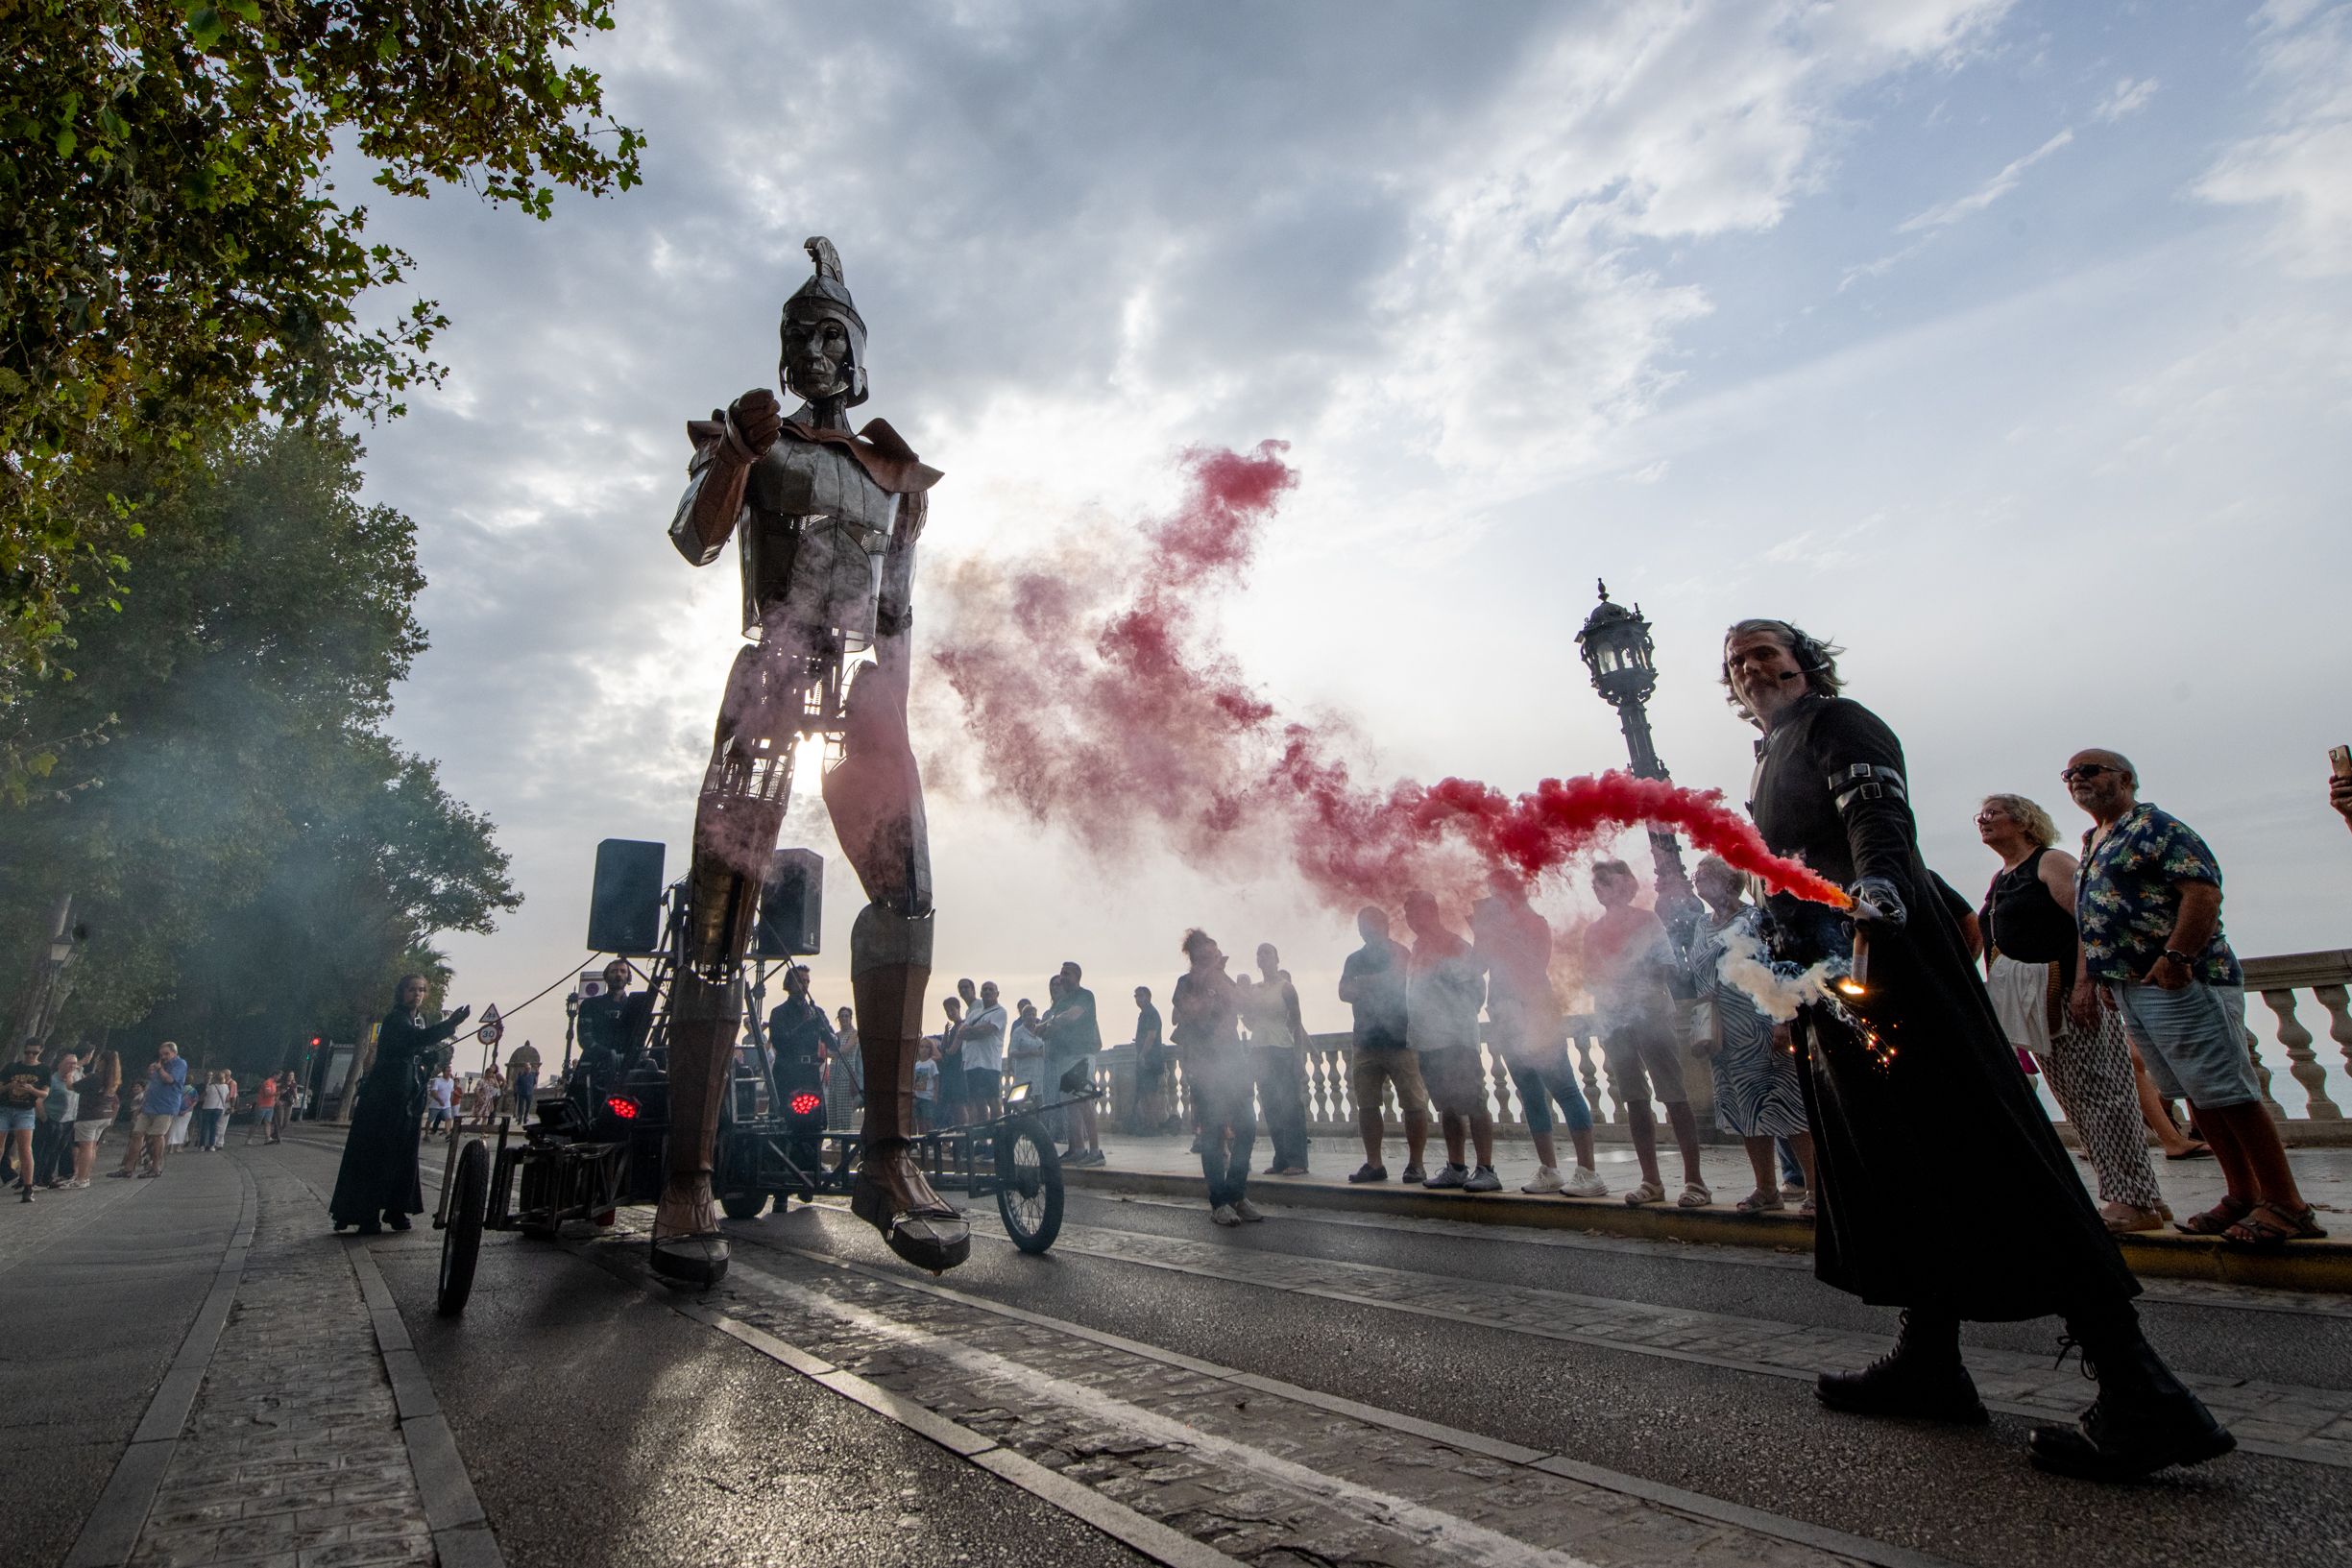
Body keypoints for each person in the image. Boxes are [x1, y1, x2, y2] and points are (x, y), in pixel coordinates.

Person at [1725, 618, 2226, 1481]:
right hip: (1831, 980)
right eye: (1736, 661)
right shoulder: (1770, 755)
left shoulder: (1839, 722)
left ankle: (2143, 1391)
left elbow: (1876, 815)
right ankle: (1929, 1361)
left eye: (1765, 649)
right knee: (1898, 1164)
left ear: (1803, 660)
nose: (1751, 666)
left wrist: (1879, 888)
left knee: (1980, 1148)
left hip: (1887, 960)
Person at [2066, 749, 2318, 1248]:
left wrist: (2178, 956)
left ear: (2126, 778)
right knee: (2197, 1096)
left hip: (2182, 980)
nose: (2077, 779)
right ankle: (2242, 1194)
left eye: (2089, 770)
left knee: (2229, 1093)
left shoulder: (2157, 827)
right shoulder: (2095, 840)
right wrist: (2105, 977)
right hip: (2135, 986)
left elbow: (2202, 893)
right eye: (2069, 774)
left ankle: (2287, 1204)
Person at [1975, 793, 2169, 1232]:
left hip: (2068, 995)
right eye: (1980, 816)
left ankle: (2133, 1202)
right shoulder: (2003, 876)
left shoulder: (2050, 862)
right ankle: (2143, 1195)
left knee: (2103, 1096)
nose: (1983, 821)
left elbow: (2089, 922)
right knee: (2078, 1100)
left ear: (2024, 821)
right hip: (2035, 1003)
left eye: (1992, 813)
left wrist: (2085, 983)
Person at [1686, 856, 1813, 1214]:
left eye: (1705, 874)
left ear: (1729, 883)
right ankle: (1766, 1189)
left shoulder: (1756, 919)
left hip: (1761, 1027)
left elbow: (1780, 969)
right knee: (1747, 1112)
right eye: (1697, 874)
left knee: (1789, 1110)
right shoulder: (1701, 924)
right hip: (1725, 1034)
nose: (1697, 879)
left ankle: (1817, 1191)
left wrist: (1782, 1020)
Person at [1583, 860, 1709, 1207]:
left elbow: (1667, 966)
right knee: (1634, 1099)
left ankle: (1695, 1181)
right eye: (1595, 883)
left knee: (1673, 1095)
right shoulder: (1593, 932)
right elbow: (1588, 978)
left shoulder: (1647, 921)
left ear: (1624, 884)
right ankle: (1651, 1181)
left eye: (1604, 881)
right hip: (1614, 1019)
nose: (1598, 888)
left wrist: (1628, 974)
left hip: (1651, 1013)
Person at [1472, 877, 1606, 1197]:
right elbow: (1477, 965)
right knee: (1530, 1092)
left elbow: (1534, 965)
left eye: (1499, 892)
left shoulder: (1535, 922)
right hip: (1506, 1015)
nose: (1495, 898)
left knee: (1565, 1089)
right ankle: (1549, 1169)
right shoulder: (1492, 927)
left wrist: (1501, 932)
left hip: (1536, 1011)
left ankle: (1589, 1172)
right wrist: (1482, 932)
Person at [330, 975, 469, 1235]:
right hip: (384, 1099)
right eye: (411, 989)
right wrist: (449, 1025)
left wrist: (426, 1057)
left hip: (407, 1098)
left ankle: (396, 1209)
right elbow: (414, 1039)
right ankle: (367, 1214)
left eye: (421, 990)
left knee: (403, 1154)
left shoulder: (417, 1019)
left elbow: (416, 1045)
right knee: (378, 1155)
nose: (417, 994)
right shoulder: (395, 1019)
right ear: (401, 992)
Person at [1403, 891, 1499, 1193]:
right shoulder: (1417, 948)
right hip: (1428, 1041)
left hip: (1456, 1040)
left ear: (1432, 911)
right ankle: (1456, 1168)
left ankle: (1486, 1169)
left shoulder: (1454, 944)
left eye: (1415, 911)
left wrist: (1455, 1019)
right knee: (1446, 1107)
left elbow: (1476, 989)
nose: (1410, 919)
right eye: (1407, 913)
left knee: (1473, 1102)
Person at [1338, 906, 1429, 1184]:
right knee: (1367, 1105)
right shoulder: (1354, 959)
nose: (1366, 930)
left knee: (1413, 1103)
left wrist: (1365, 982)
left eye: (1370, 924)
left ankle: (1416, 1164)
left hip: (1401, 1040)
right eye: (1362, 926)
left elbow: (1401, 981)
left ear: (1385, 925)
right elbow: (1344, 992)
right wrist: (1379, 982)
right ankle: (1374, 1163)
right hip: (1365, 1042)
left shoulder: (1400, 953)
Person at [1174, 929, 1257, 1224]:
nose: (1213, 956)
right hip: (1206, 1066)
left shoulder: (1223, 979)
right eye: (1207, 953)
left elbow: (1246, 1006)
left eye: (1215, 951)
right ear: (1195, 956)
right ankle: (1219, 1202)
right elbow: (1193, 1013)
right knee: (1212, 1133)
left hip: (1233, 1062)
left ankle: (1236, 1193)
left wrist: (1227, 983)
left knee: (1247, 1126)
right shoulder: (1185, 984)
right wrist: (1209, 984)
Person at [1247, 945, 1310, 1176]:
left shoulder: (1286, 988)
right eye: (1259, 953)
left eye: (1267, 953)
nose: (1263, 957)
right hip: (1259, 1049)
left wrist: (1298, 1057)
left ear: (1277, 959)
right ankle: (1281, 1158)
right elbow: (1250, 1022)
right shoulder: (1254, 990)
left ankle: (1298, 1160)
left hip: (1282, 1047)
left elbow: (1296, 1024)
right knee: (1270, 1105)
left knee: (1290, 1105)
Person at [1041, 961, 1104, 1166]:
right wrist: (1041, 1029)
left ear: (1077, 976)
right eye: (1061, 973)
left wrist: (1047, 1024)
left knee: (1084, 1101)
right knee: (1071, 1106)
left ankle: (1096, 1151)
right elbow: (1050, 1030)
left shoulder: (1085, 996)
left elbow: (1071, 1016)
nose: (1062, 978)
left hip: (1080, 1057)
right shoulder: (1062, 1002)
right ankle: (1078, 1149)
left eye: (1066, 974)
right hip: (1065, 1058)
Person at [112, 1043, 186, 1180]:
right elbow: (152, 1084)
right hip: (149, 1106)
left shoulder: (180, 1064)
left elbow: (170, 1079)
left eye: (167, 1054)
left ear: (174, 1053)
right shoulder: (160, 1065)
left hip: (165, 1106)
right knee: (136, 1134)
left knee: (157, 1136)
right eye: (161, 1054)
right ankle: (128, 1168)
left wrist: (159, 1069)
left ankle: (155, 1167)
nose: (163, 1057)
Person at [4, 1044, 52, 1202]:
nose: (30, 1055)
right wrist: (10, 1086)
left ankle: (28, 1186)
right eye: (27, 1052)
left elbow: (44, 1094)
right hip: (5, 1109)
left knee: (25, 1149)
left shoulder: (43, 1070)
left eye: (34, 1053)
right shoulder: (12, 1067)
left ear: (40, 1052)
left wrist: (31, 1089)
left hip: (25, 1110)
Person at [70, 1049, 120, 1186]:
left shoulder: (95, 1077)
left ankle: (80, 1179)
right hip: (104, 1114)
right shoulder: (113, 1079)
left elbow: (72, 1087)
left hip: (90, 1115)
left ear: (102, 1061)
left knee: (85, 1148)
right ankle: (86, 1176)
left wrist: (69, 1075)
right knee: (92, 1147)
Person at [960, 980, 1006, 1122]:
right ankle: (982, 1135)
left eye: (991, 990)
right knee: (977, 1102)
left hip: (989, 1064)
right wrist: (977, 1030)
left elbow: (987, 1030)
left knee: (993, 1102)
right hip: (971, 1064)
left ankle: (999, 1132)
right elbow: (961, 1033)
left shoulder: (1000, 1012)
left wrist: (972, 1031)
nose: (987, 992)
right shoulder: (974, 1013)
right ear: (980, 993)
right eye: (985, 989)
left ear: (997, 993)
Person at [1128, 987, 1170, 1133]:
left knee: (1150, 1093)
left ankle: (1153, 1125)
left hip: (1151, 1059)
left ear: (1148, 997)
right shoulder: (1144, 1014)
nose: (1138, 999)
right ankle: (1149, 1124)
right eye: (1136, 996)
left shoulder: (1151, 1013)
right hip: (1147, 1058)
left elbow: (1151, 1036)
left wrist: (1142, 1055)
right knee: (1145, 1094)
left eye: (1141, 996)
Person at [826, 1006, 863, 1131]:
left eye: (847, 1016)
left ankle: (845, 1137)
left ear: (850, 1018)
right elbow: (826, 1051)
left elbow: (845, 1049)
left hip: (846, 1074)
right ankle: (834, 1137)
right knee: (832, 1108)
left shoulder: (854, 1034)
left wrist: (831, 1053)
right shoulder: (836, 1035)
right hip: (834, 1073)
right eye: (842, 1016)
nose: (844, 1018)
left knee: (844, 1109)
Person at [934, 994, 967, 1127]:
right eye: (947, 1011)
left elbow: (952, 1050)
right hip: (950, 1071)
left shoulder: (962, 1026)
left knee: (959, 1104)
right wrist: (946, 1034)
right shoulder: (953, 1028)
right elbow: (944, 1048)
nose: (950, 1013)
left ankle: (963, 1130)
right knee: (953, 1105)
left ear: (958, 1009)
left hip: (957, 1070)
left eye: (952, 1009)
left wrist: (941, 1054)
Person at [1006, 999, 1047, 1104]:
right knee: (1023, 1103)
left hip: (1040, 1073)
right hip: (1024, 1074)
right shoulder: (1018, 1032)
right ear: (1023, 1017)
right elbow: (1013, 1052)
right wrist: (1030, 1053)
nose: (1031, 1017)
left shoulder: (1040, 1030)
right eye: (1029, 1015)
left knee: (1041, 1102)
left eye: (1033, 1015)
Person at [506, 1038, 542, 1120]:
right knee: (520, 1105)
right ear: (524, 1068)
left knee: (527, 1106)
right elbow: (516, 1083)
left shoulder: (532, 1074)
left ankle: (525, 1117)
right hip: (521, 1093)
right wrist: (517, 1090)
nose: (527, 1069)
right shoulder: (521, 1076)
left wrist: (536, 1068)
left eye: (529, 1068)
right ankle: (519, 1117)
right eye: (526, 1068)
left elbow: (536, 1075)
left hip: (529, 1093)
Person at [199, 1070, 231, 1151]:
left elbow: (202, 1097)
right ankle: (212, 1145)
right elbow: (227, 1099)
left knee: (205, 1126)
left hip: (207, 1108)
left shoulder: (210, 1086)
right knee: (213, 1127)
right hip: (218, 1108)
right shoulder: (226, 1087)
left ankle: (202, 1145)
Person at [911, 1038, 938, 1134]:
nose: (924, 1049)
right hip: (917, 1097)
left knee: (928, 1120)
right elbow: (914, 1080)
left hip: (927, 1097)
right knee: (919, 1121)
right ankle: (921, 1140)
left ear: (930, 1050)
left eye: (927, 1047)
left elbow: (936, 1080)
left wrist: (935, 1095)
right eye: (922, 1047)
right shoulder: (916, 1064)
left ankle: (932, 1139)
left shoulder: (932, 1064)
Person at [246, 1070, 279, 1145]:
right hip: (262, 1105)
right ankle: (249, 1138)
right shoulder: (268, 1082)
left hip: (270, 1105)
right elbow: (267, 1093)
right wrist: (277, 1093)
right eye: (279, 1076)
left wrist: (275, 1099)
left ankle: (267, 1138)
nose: (279, 1078)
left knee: (268, 1122)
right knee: (257, 1123)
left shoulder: (274, 1083)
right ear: (275, 1075)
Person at [423, 1065, 455, 1133]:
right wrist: (439, 1100)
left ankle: (447, 1133)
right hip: (436, 1105)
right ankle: (426, 1134)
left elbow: (452, 1092)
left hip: (447, 1105)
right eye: (447, 1071)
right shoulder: (438, 1081)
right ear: (443, 1072)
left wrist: (450, 1102)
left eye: (450, 1071)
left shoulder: (452, 1081)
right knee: (430, 1120)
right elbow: (433, 1092)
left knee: (449, 1118)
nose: (449, 1073)